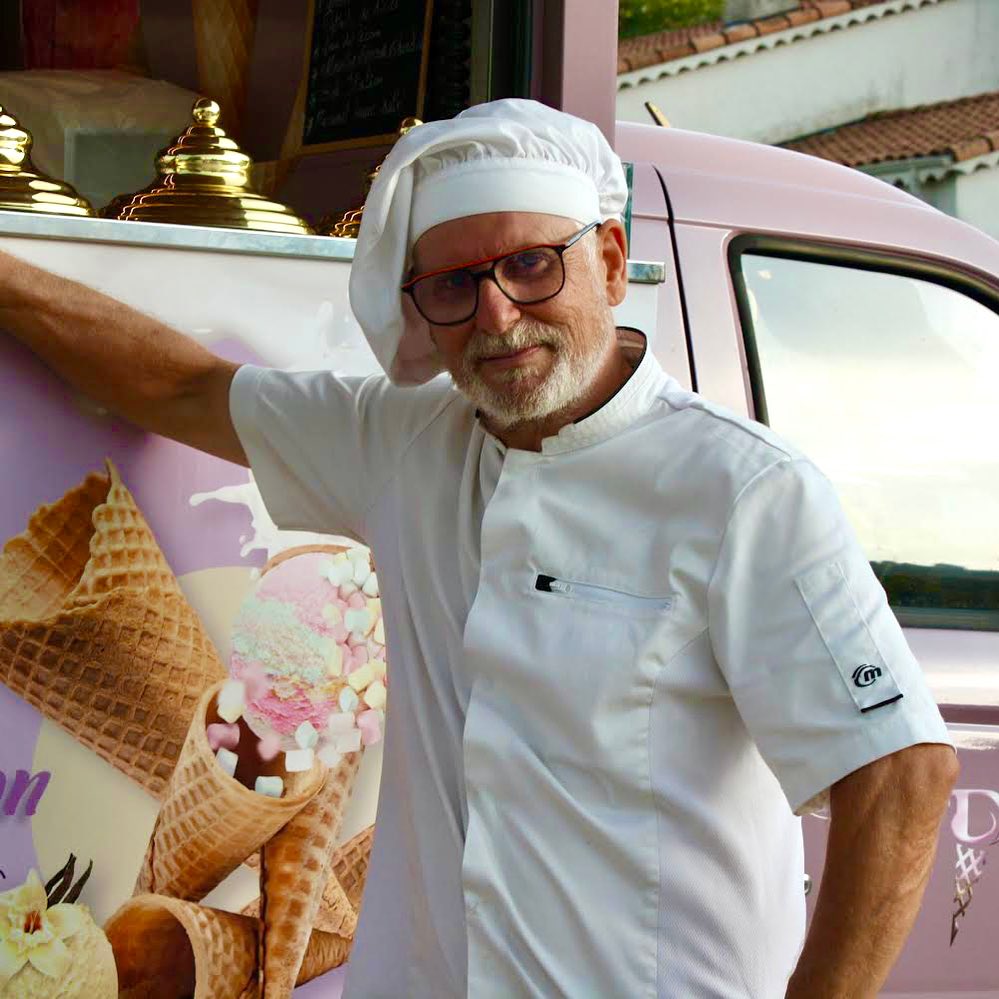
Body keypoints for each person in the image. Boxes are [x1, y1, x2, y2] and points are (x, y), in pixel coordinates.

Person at [0, 99, 957, 998]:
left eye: (532, 265)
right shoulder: (406, 440)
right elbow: (182, 389)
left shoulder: (740, 489)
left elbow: (901, 771)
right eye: (455, 284)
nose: (497, 316)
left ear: (610, 262)